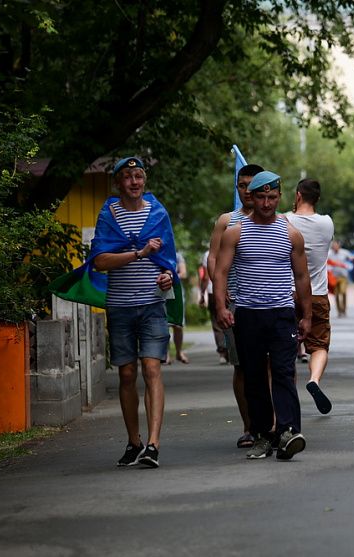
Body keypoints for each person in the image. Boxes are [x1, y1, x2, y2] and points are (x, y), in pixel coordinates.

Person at [213, 170, 312, 461]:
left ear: (279, 197)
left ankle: (288, 431)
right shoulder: (236, 232)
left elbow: (302, 276)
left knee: (284, 372)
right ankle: (261, 435)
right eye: (261, 197)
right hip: (248, 315)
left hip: (282, 314)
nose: (267, 203)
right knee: (254, 376)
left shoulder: (291, 233)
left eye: (272, 197)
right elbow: (220, 272)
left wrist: (306, 316)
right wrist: (221, 307)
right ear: (251, 197)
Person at [92, 156, 178, 469]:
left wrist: (167, 275)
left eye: (139, 176)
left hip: (153, 303)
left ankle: (153, 445)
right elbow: (100, 261)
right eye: (127, 177)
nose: (134, 182)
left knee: (152, 369)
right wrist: (139, 253)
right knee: (127, 374)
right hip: (120, 305)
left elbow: (168, 259)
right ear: (118, 183)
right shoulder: (108, 214)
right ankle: (134, 441)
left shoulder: (158, 213)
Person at [204, 163, 264, 448]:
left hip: (267, 304)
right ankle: (249, 426)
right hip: (236, 304)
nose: (247, 190)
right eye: (242, 185)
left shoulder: (275, 220)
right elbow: (213, 259)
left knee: (269, 365)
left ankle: (272, 423)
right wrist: (220, 294)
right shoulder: (226, 221)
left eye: (252, 185)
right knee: (241, 367)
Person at [286, 178, 335, 415]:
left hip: (288, 293)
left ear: (297, 196)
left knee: (285, 347)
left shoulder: (284, 220)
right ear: (317, 199)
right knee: (319, 346)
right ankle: (314, 379)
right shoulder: (327, 223)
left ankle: (288, 395)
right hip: (317, 294)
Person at [199, 249, 229, 365]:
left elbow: (205, 277)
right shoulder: (232, 246)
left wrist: (202, 294)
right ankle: (231, 351)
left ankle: (222, 352)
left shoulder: (208, 254)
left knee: (217, 323)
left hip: (213, 292)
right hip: (229, 290)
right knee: (231, 321)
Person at [166, 251, 189, 364]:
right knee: (164, 325)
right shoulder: (159, 254)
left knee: (178, 325)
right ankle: (166, 354)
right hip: (162, 292)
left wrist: (170, 277)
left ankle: (179, 352)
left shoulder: (177, 255)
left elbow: (184, 273)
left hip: (176, 292)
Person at [328, 240, 352, 317]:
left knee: (343, 292)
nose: (335, 247)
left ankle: (344, 310)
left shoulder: (344, 252)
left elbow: (351, 258)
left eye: (336, 246)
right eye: (333, 246)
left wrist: (350, 262)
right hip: (334, 277)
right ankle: (339, 311)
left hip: (343, 276)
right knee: (336, 294)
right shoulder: (329, 253)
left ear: (339, 246)